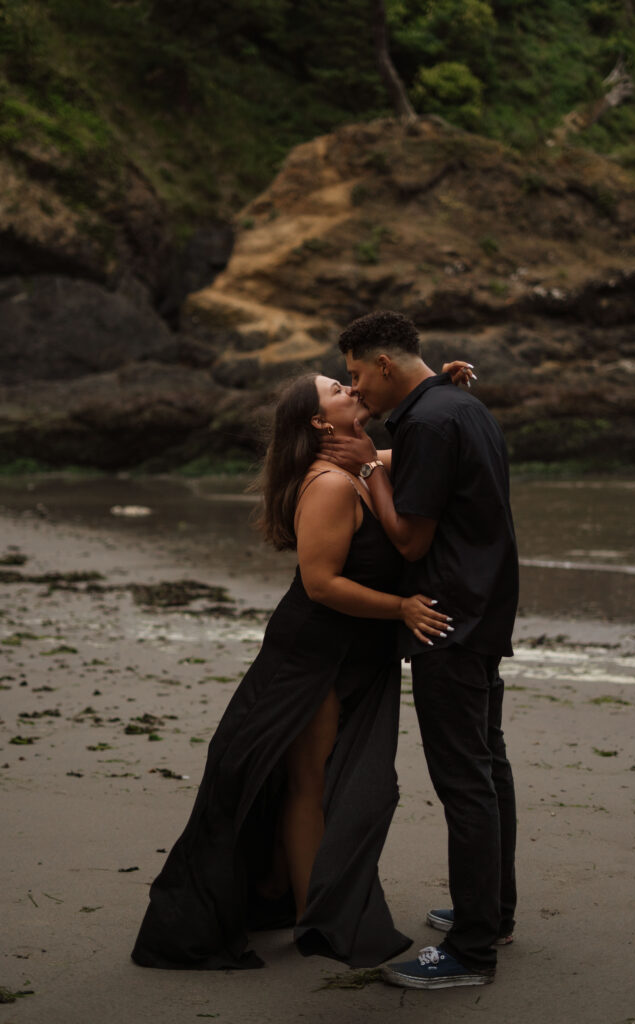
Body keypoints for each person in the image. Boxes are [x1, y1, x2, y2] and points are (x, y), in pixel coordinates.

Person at [130, 371, 459, 971]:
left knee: (334, 782)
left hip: (355, 650)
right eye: (338, 388)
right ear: (317, 421)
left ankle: (298, 898)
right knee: (309, 782)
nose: (352, 388)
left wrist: (438, 384)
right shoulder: (331, 483)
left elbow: (430, 441)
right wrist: (402, 608)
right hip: (313, 654)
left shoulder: (362, 463)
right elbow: (321, 585)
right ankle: (319, 921)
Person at [321, 310, 518, 990]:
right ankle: (490, 915)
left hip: (445, 621)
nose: (356, 391)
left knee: (464, 779)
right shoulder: (452, 403)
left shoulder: (433, 419)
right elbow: (427, 466)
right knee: (487, 767)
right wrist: (367, 455)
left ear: (381, 364)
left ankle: (470, 952)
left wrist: (362, 470)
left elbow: (410, 541)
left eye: (354, 375)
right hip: (482, 607)